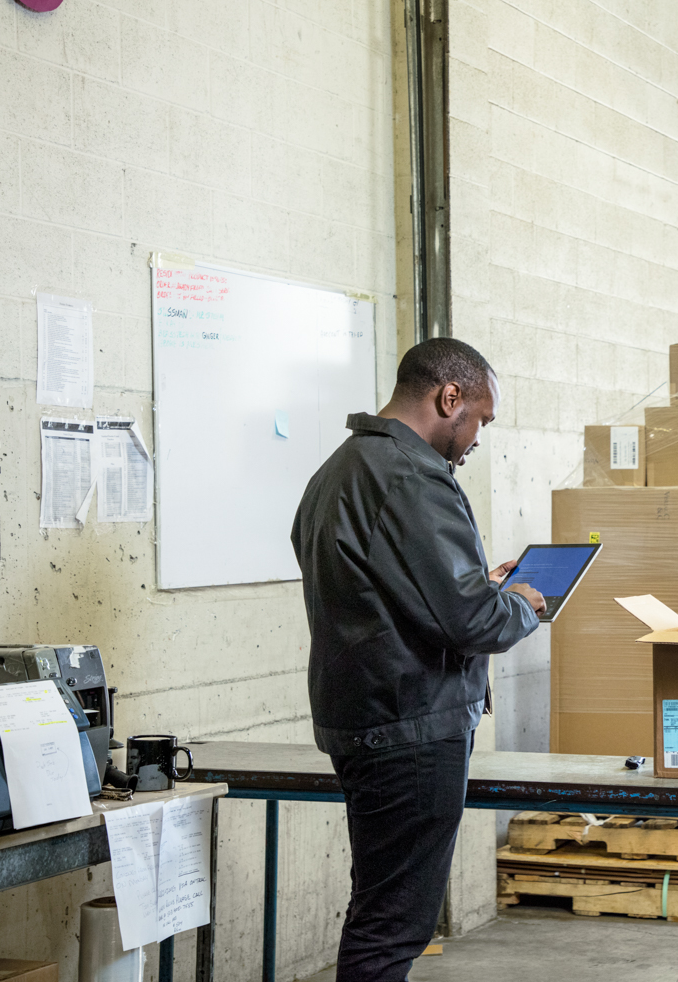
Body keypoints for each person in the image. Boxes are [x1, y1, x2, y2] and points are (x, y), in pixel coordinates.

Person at [291, 337, 543, 981]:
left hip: (363, 721)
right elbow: (472, 622)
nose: (479, 437)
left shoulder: (338, 471)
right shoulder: (415, 478)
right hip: (410, 729)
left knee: (379, 910)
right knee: (393, 927)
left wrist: (475, 581)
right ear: (448, 397)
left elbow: (382, 592)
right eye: (480, 418)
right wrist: (520, 602)